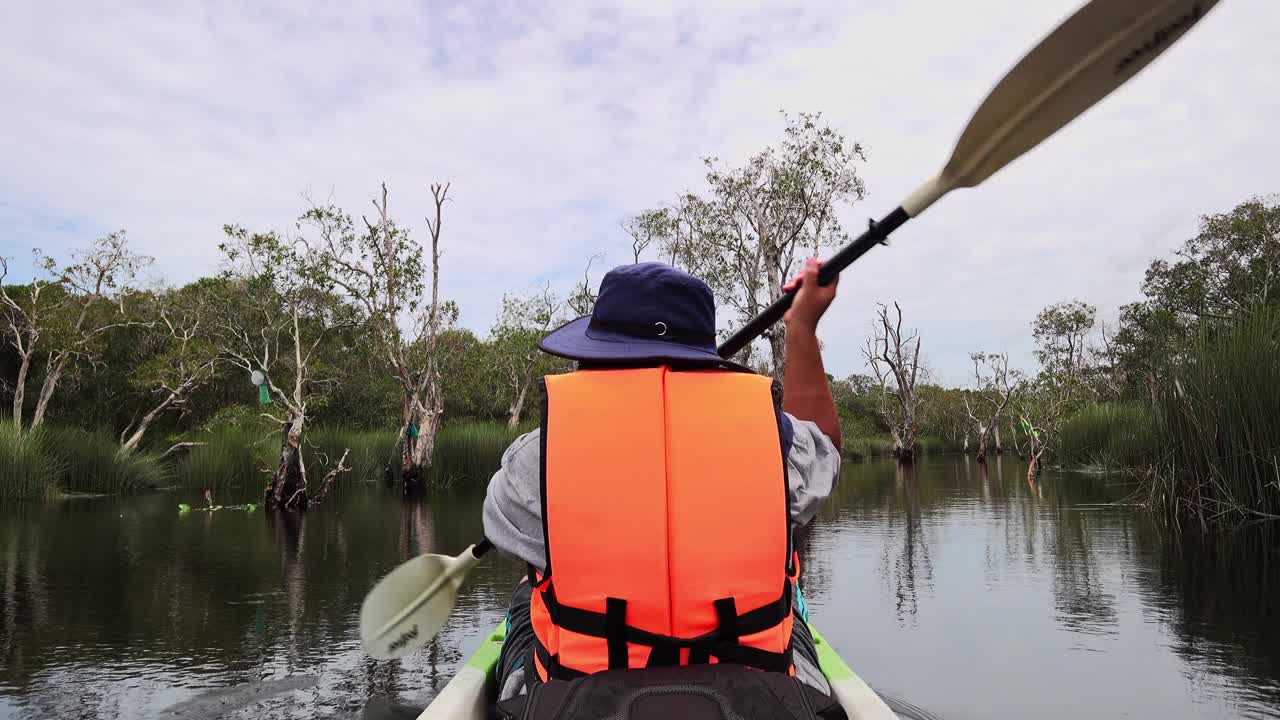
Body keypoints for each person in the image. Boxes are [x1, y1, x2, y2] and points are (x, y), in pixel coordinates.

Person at [482, 259, 843, 715]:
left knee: (528, 589)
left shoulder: (535, 456)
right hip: (757, 695)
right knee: (787, 597)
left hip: (579, 696)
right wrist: (801, 327)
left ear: (594, 352)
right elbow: (825, 445)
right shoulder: (776, 441)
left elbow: (505, 530)